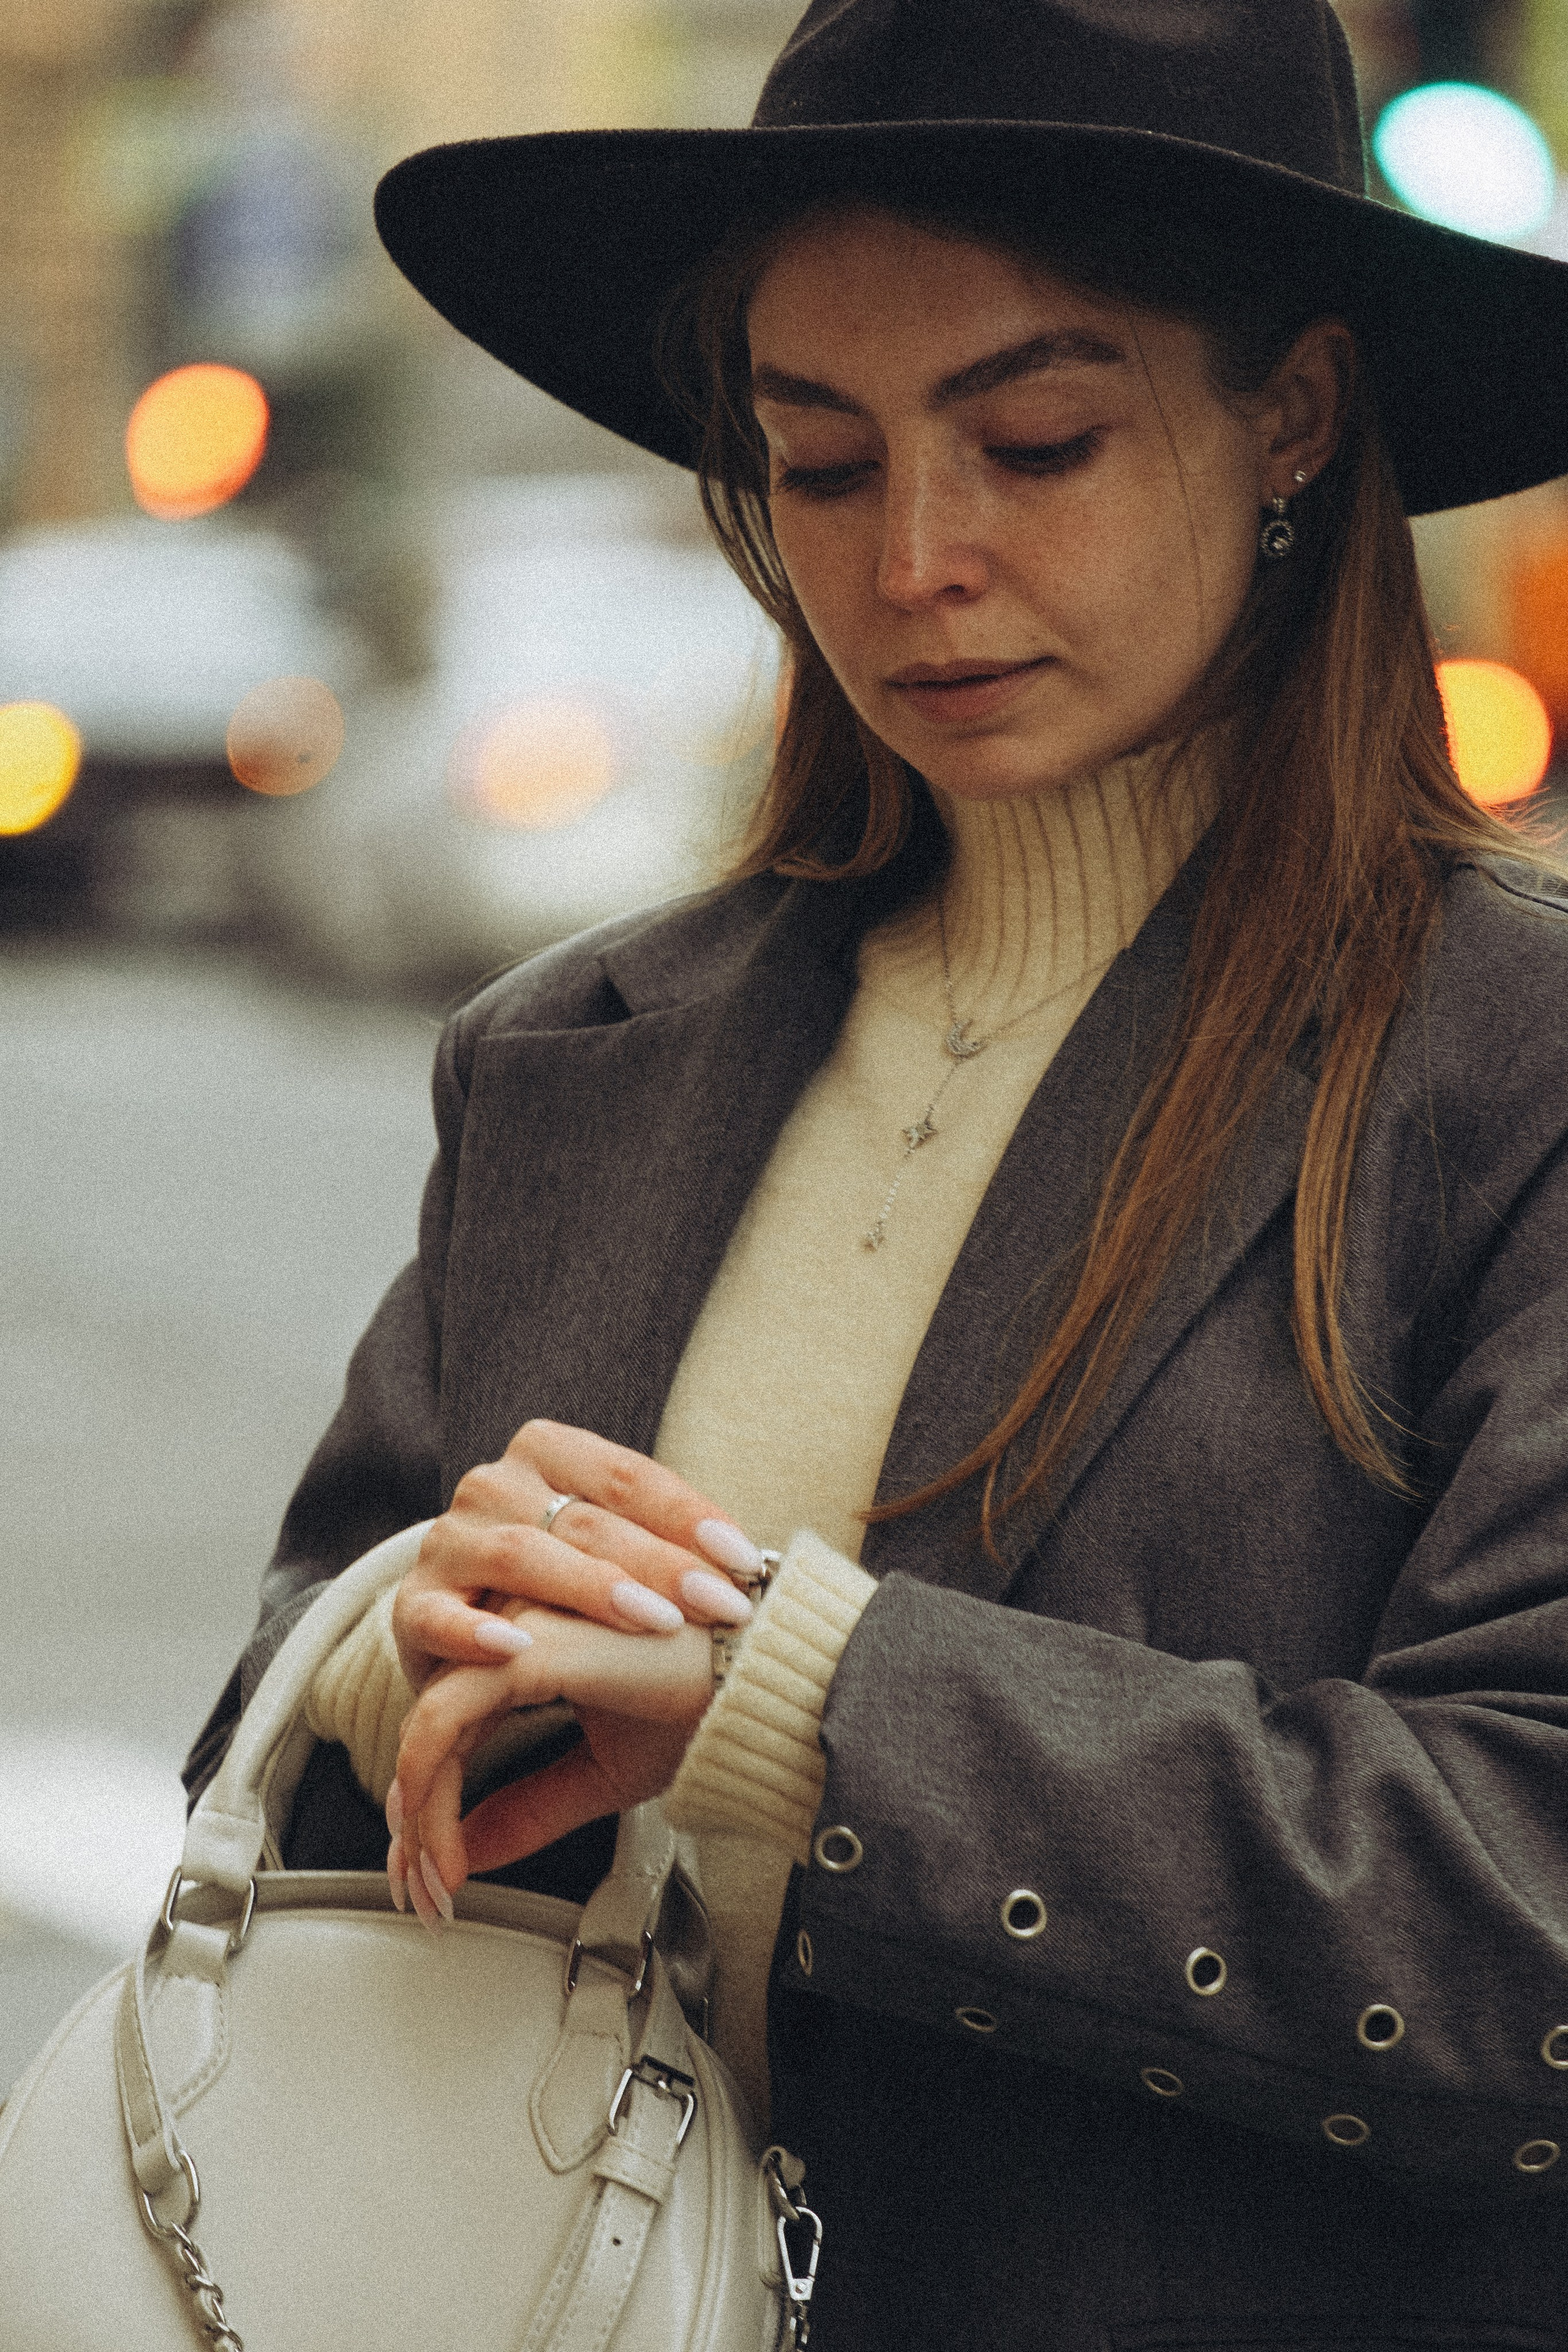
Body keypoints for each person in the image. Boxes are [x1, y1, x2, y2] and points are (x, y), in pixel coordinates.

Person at [185, 2, 1568, 2343]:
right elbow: (280, 1754)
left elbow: (1524, 1909)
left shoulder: (1507, 1067)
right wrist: (404, 1667)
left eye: (1036, 439)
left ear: (1296, 417)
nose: (917, 556)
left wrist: (802, 1695)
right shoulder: (572, 1060)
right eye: (816, 461)